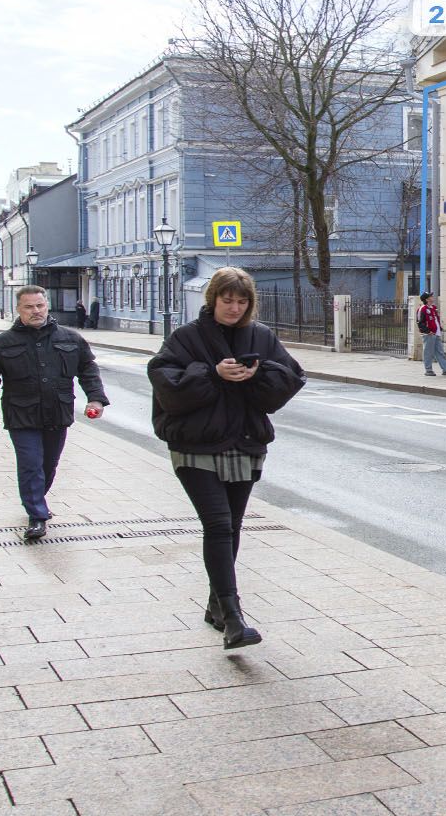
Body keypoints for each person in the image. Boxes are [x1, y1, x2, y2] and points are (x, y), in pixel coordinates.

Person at [148, 266, 305, 650]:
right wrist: (213, 375)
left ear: (250, 303)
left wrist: (256, 375)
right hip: (195, 446)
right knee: (217, 524)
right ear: (212, 299)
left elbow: (288, 381)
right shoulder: (186, 337)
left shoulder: (261, 337)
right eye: (227, 300)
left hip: (245, 443)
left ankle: (215, 605)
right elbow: (166, 386)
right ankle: (234, 618)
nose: (233, 308)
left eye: (241, 301)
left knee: (231, 526)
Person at [0, 285, 108, 540]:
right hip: (21, 414)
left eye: (40, 306)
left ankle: (37, 499)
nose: (35, 311)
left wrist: (96, 399)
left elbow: (88, 370)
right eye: (29, 307)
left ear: (46, 306)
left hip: (57, 413)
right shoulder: (3, 343)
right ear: (19, 309)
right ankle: (36, 515)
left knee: (49, 465)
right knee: (30, 464)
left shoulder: (70, 338)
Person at [416, 292, 446, 377]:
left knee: (440, 352)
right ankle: (428, 370)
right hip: (429, 334)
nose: (432, 297)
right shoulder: (422, 309)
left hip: (436, 333)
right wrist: (428, 331)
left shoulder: (433, 308)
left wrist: (440, 328)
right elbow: (420, 323)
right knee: (428, 352)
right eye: (431, 296)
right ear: (427, 299)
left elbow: (436, 320)